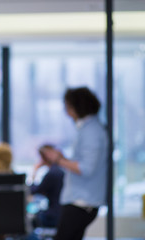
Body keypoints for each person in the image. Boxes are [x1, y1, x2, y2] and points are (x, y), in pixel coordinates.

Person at [41, 87, 108, 240]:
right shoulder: (89, 129)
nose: (67, 112)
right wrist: (63, 159)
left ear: (77, 107)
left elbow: (86, 168)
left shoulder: (91, 132)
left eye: (68, 107)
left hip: (81, 202)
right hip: (81, 200)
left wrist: (58, 160)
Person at [30, 144, 64, 228]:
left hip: (54, 215)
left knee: (30, 220)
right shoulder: (61, 170)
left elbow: (33, 190)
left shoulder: (52, 174)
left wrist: (35, 171)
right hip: (62, 212)